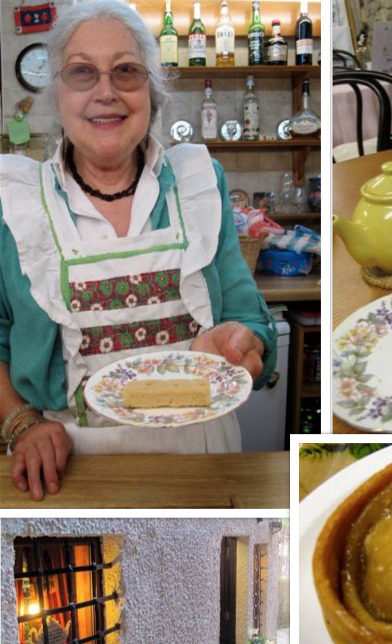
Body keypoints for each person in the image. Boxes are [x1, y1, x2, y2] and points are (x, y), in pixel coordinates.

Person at [0, 1, 277, 500]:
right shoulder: (16, 204)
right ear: (58, 92)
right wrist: (22, 424)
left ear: (152, 89)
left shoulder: (197, 181)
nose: (106, 92)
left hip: (202, 451)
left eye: (126, 71)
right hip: (70, 462)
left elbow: (247, 316)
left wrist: (244, 343)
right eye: (82, 72)